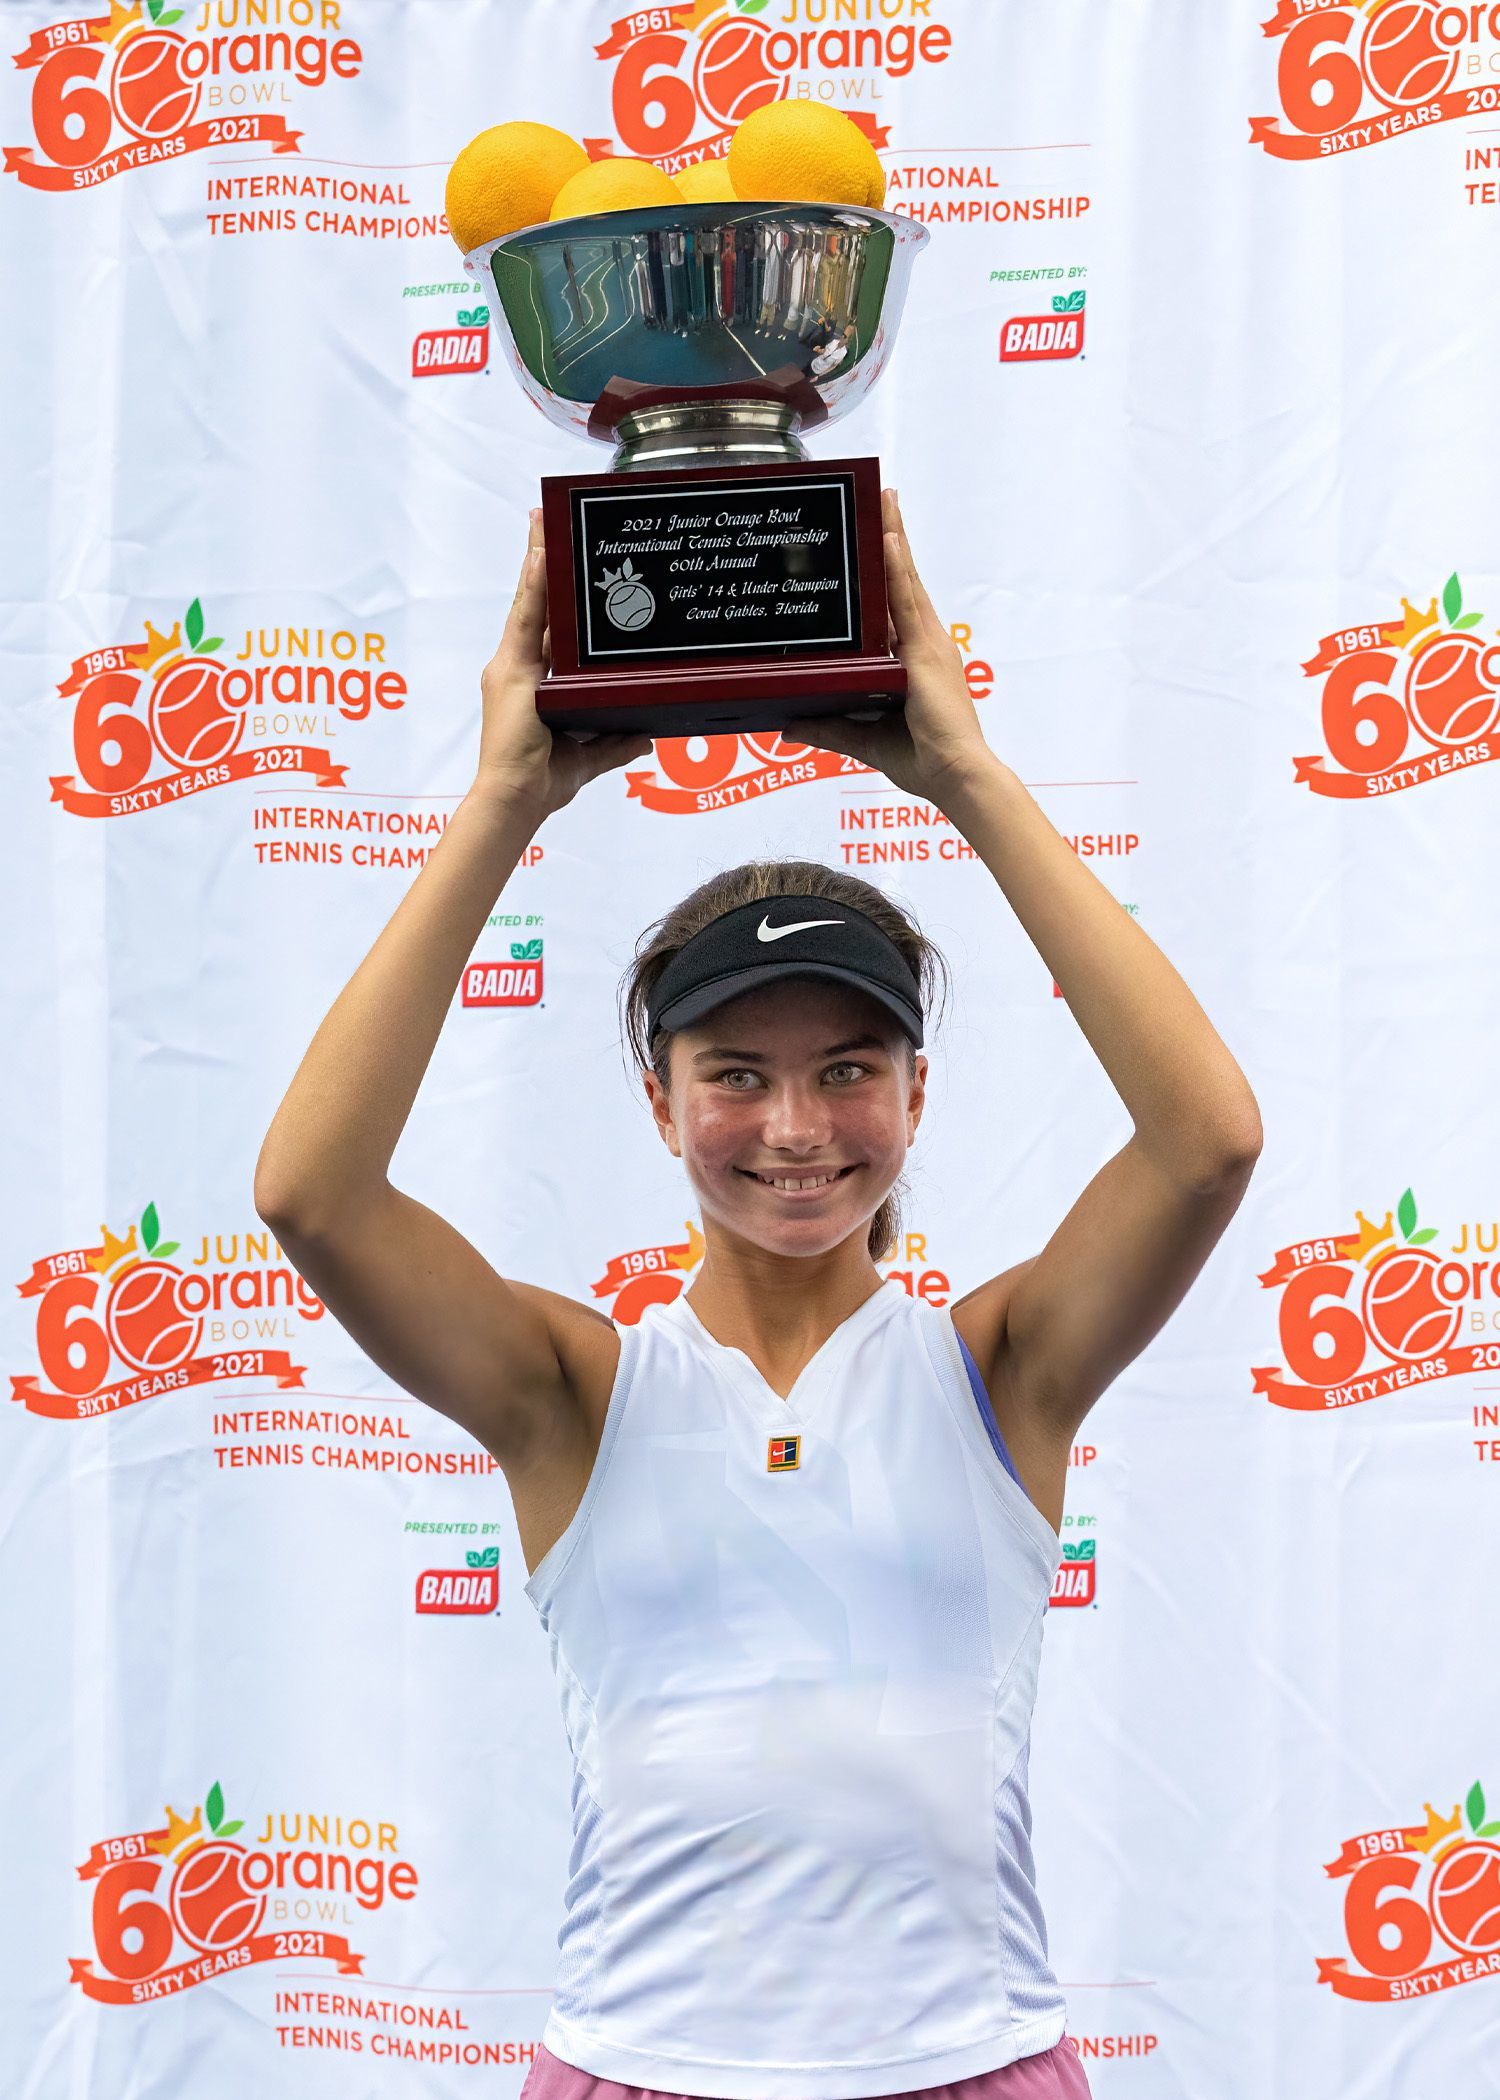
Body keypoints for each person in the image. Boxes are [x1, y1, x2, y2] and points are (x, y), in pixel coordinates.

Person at [254, 490, 1263, 2100]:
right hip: (641, 2067)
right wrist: (507, 797)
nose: (795, 1130)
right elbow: (310, 1195)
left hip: (968, 2066)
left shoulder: (1002, 1373)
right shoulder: (574, 1392)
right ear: (659, 1104)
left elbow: (1209, 1143)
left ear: (916, 1097)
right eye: (737, 1075)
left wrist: (965, 779)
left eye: (846, 1071)